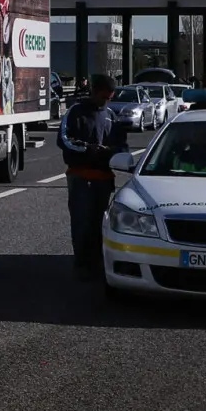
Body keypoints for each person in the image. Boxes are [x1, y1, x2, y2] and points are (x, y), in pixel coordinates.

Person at [61, 73, 131, 281]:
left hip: (103, 178)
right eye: (103, 97)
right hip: (80, 176)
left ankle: (97, 260)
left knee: (100, 222)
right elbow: (64, 139)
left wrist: (112, 151)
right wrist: (88, 149)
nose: (106, 101)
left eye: (110, 97)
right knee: (81, 221)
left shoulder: (111, 116)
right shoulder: (76, 111)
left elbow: (122, 147)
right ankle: (82, 262)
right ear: (94, 92)